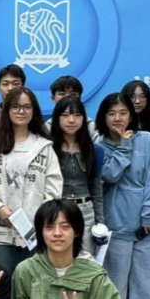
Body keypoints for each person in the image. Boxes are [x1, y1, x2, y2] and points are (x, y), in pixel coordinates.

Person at [95, 92, 150, 299]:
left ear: (132, 115)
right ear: (103, 117)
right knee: (115, 282)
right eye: (112, 113)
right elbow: (109, 175)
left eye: (123, 113)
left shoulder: (147, 140)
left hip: (149, 225)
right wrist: (124, 146)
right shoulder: (99, 145)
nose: (118, 118)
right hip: (117, 224)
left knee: (144, 282)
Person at [0, 87, 62, 276]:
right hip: (0, 233)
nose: (21, 111)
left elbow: (54, 190)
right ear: (7, 110)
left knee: (32, 287)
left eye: (27, 107)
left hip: (34, 233)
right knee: (2, 286)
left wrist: (39, 218)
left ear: (34, 111)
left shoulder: (44, 147)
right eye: (16, 107)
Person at [50, 96, 105, 255]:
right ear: (57, 118)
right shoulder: (49, 148)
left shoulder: (94, 150)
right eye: (65, 115)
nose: (71, 120)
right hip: (57, 210)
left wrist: (100, 222)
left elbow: (96, 190)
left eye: (77, 115)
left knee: (85, 261)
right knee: (58, 259)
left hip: (85, 212)